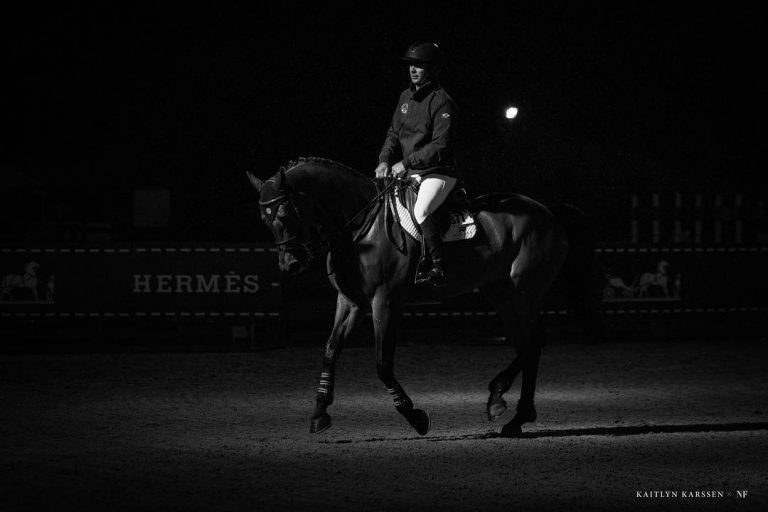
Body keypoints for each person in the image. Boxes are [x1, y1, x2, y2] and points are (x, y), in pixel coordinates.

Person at [375, 41, 459, 287]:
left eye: (419, 65)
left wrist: (405, 162)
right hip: (410, 171)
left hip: (438, 172)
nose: (413, 69)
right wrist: (383, 160)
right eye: (411, 65)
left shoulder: (442, 102)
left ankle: (439, 266)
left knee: (421, 210)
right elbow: (393, 133)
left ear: (432, 69)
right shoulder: (405, 96)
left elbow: (440, 146)